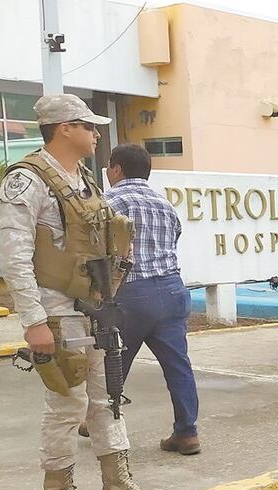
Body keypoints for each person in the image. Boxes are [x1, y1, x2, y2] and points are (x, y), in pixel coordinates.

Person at [0, 94, 161, 490]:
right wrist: (33, 321)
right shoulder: (27, 181)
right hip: (55, 310)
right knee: (67, 405)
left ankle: (117, 482)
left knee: (107, 398)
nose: (95, 133)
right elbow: (14, 257)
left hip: (95, 308)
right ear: (63, 128)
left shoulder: (83, 179)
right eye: (87, 126)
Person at [105, 143, 201, 455]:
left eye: (109, 167)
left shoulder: (109, 202)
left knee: (114, 362)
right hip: (173, 290)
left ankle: (101, 425)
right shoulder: (165, 205)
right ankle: (187, 433)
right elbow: (173, 241)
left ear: (117, 169)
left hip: (132, 293)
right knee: (178, 365)